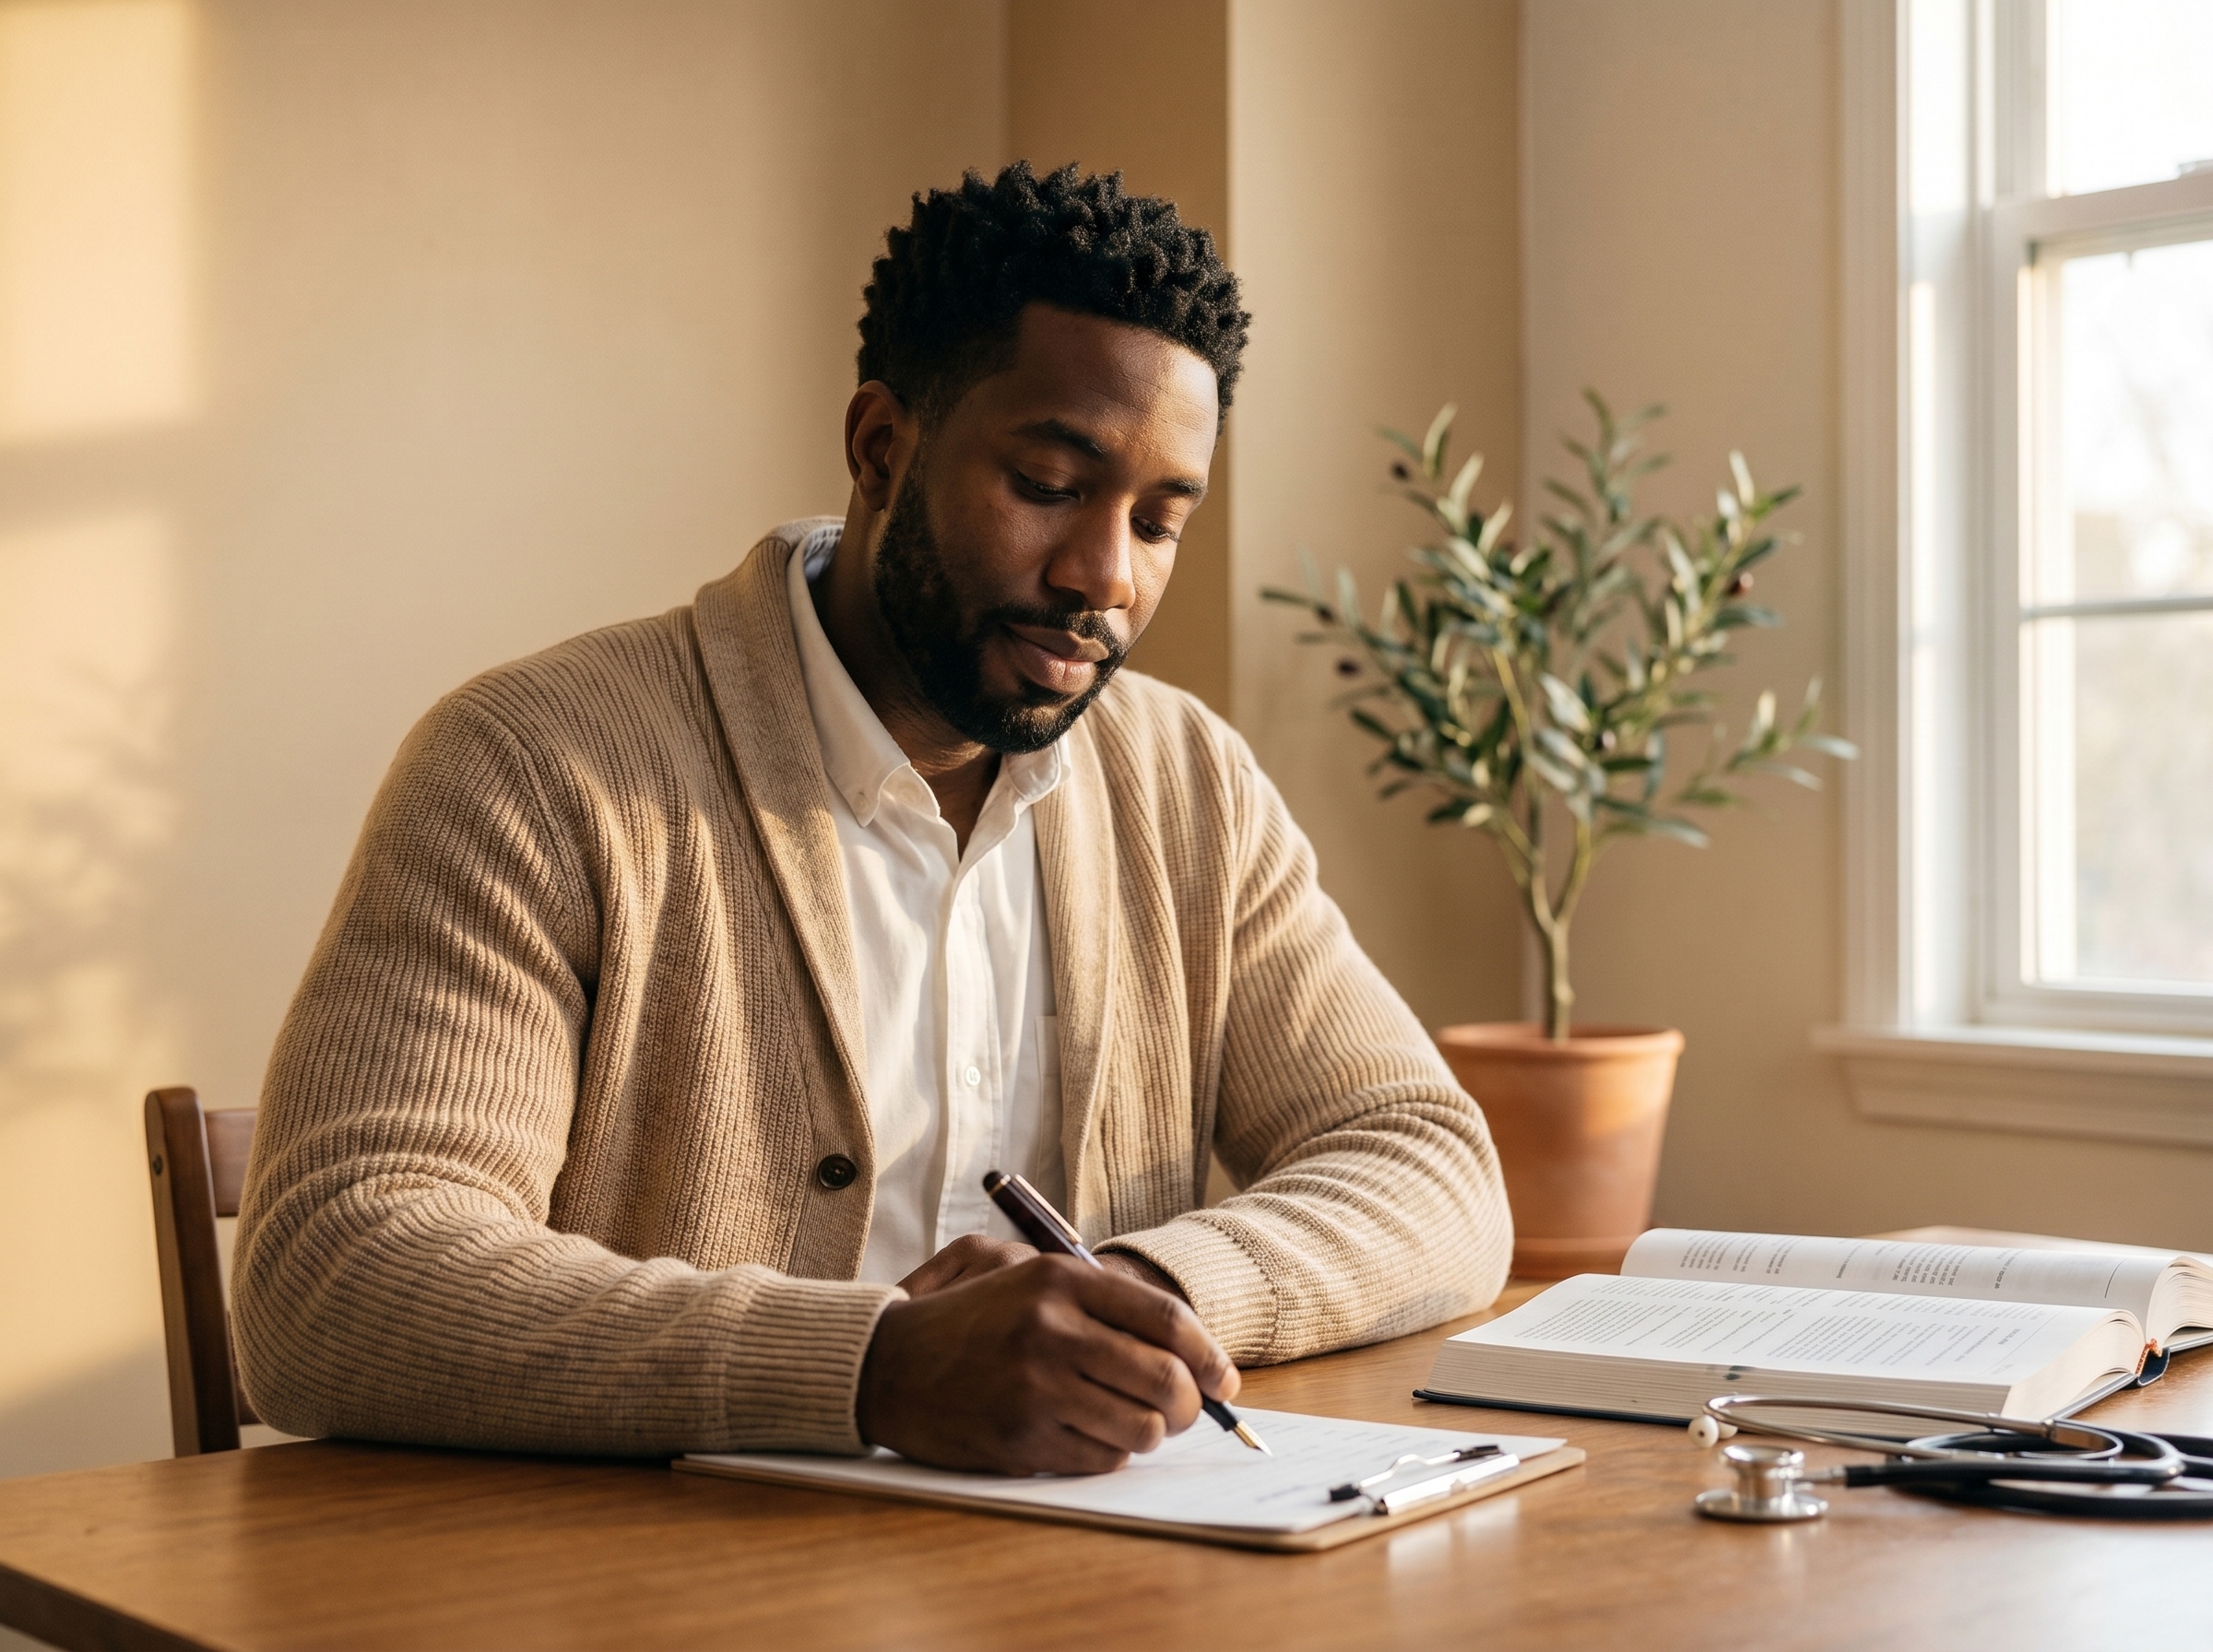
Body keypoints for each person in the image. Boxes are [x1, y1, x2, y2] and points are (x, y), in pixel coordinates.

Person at [233, 162, 1510, 1476]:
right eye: (1051, 484)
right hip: (650, 1594)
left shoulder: (1187, 782)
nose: (1104, 577)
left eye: (1157, 521)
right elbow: (334, 1275)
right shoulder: (538, 766)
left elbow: (1426, 1161)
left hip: (1095, 1589)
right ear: (881, 447)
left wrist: (1136, 1297)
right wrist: (874, 1369)